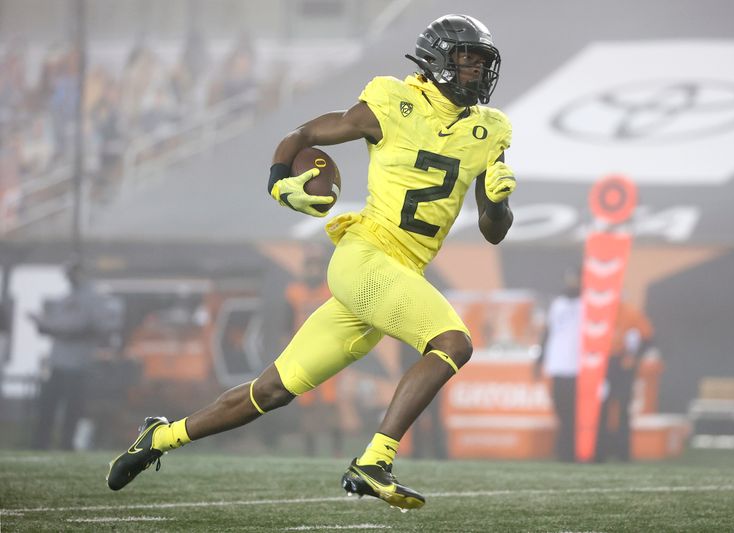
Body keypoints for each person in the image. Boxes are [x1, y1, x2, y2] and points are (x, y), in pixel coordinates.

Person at [107, 14, 515, 510]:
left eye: (480, 63)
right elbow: (303, 134)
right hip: (365, 256)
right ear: (436, 61)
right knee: (452, 342)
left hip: (397, 275)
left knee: (272, 391)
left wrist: (495, 203)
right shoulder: (391, 100)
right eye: (465, 61)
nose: (474, 72)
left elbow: (494, 232)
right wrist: (279, 177)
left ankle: (160, 437)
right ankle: (374, 461)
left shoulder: (489, 130)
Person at [30, 260, 121, 450]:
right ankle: (41, 442)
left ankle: (66, 443)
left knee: (73, 407)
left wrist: (57, 328)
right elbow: (57, 325)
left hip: (78, 363)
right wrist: (44, 324)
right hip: (59, 362)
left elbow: (89, 326)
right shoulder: (66, 298)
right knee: (48, 405)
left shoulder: (92, 298)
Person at [285, 245, 344, 457]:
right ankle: (310, 451)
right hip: (303, 354)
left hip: (329, 352)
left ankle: (337, 449)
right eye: (309, 266)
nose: (313, 271)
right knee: (306, 405)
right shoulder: (294, 292)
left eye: (316, 266)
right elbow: (286, 326)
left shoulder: (331, 290)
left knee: (330, 403)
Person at [595, 299, 654, 462]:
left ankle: (622, 452)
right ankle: (600, 450)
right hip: (602, 365)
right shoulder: (598, 312)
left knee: (622, 408)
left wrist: (634, 357)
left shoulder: (630, 313)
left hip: (623, 366)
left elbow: (647, 338)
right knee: (601, 408)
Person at [534, 266, 582, 462]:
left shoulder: (588, 303)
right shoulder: (558, 304)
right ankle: (564, 450)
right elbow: (548, 332)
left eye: (575, 279)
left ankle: (575, 450)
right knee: (561, 410)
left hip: (579, 366)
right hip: (559, 364)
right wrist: (540, 359)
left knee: (575, 412)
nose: (572, 283)